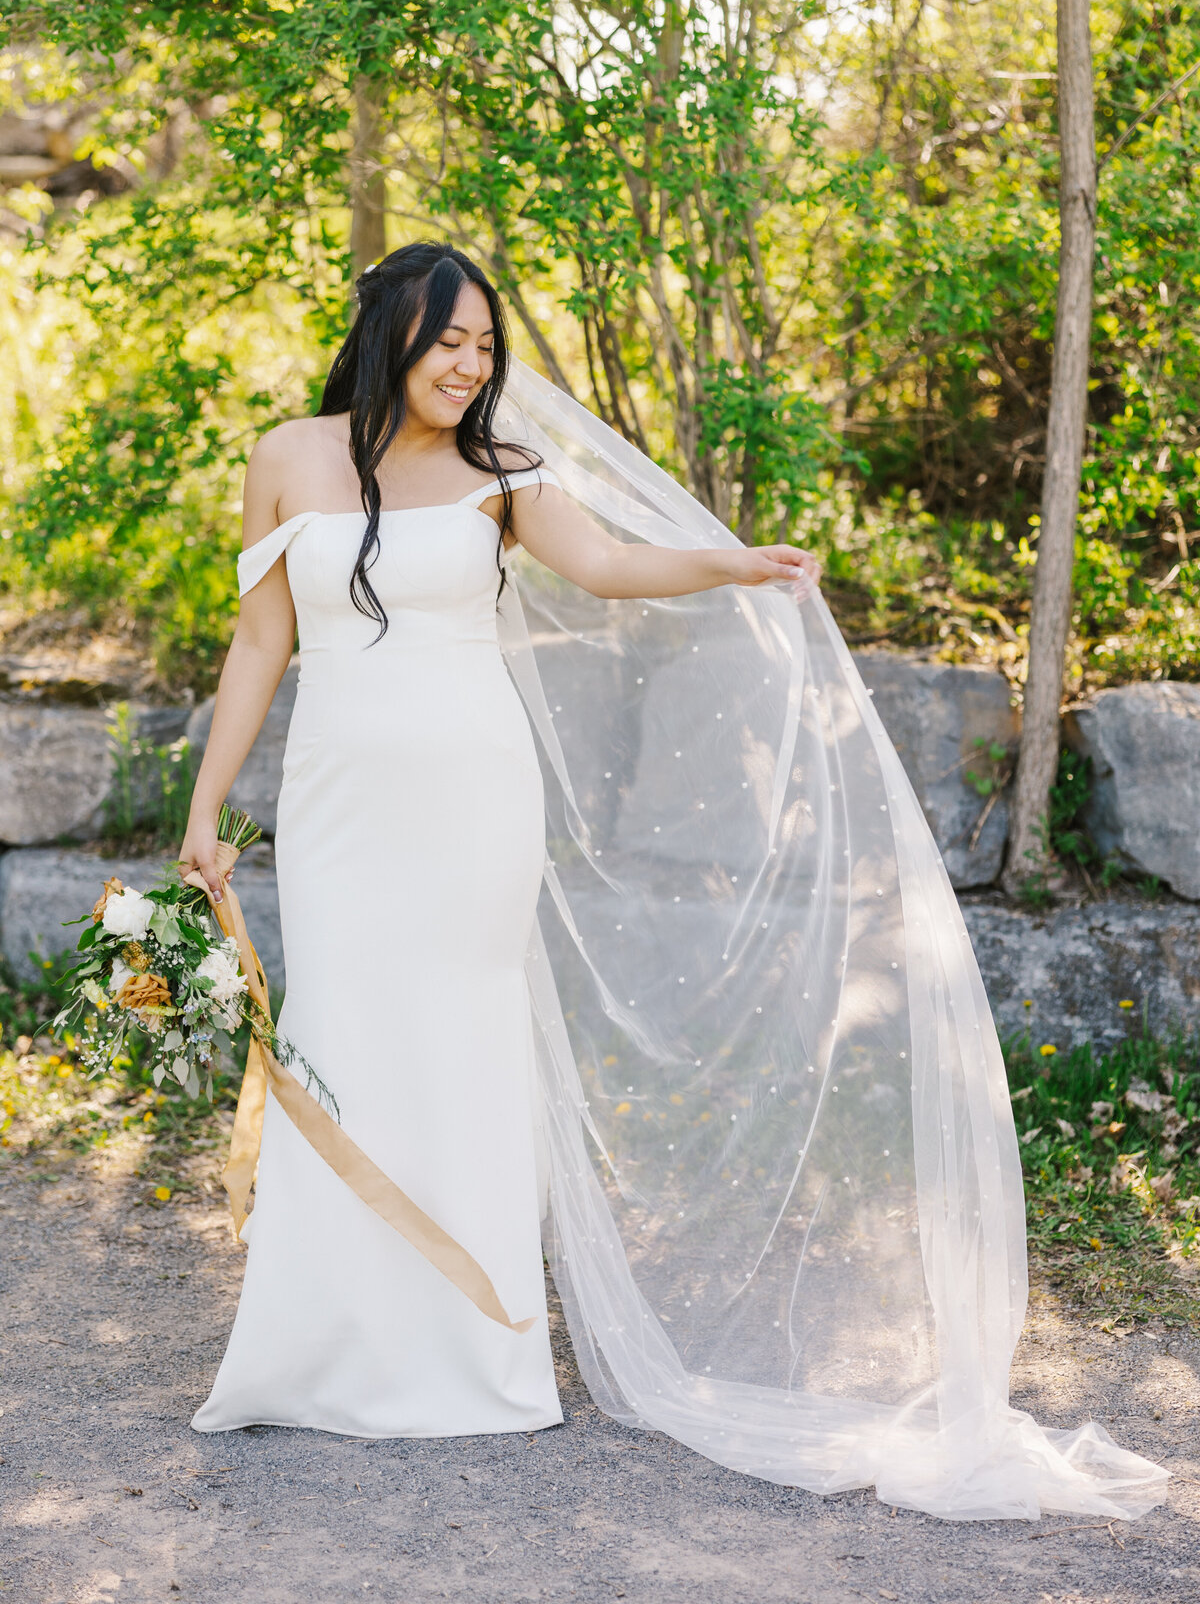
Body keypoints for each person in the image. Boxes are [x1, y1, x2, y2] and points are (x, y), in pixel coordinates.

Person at [180, 241, 1166, 1522]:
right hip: (333, 804)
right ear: (389, 336)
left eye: (486, 346)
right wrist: (208, 811)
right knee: (339, 1030)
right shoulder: (285, 457)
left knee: (462, 1040)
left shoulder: (502, 474)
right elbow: (262, 639)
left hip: (473, 797)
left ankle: (472, 1353)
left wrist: (733, 562)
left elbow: (607, 566)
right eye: (449, 344)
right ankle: (313, 1347)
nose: (470, 366)